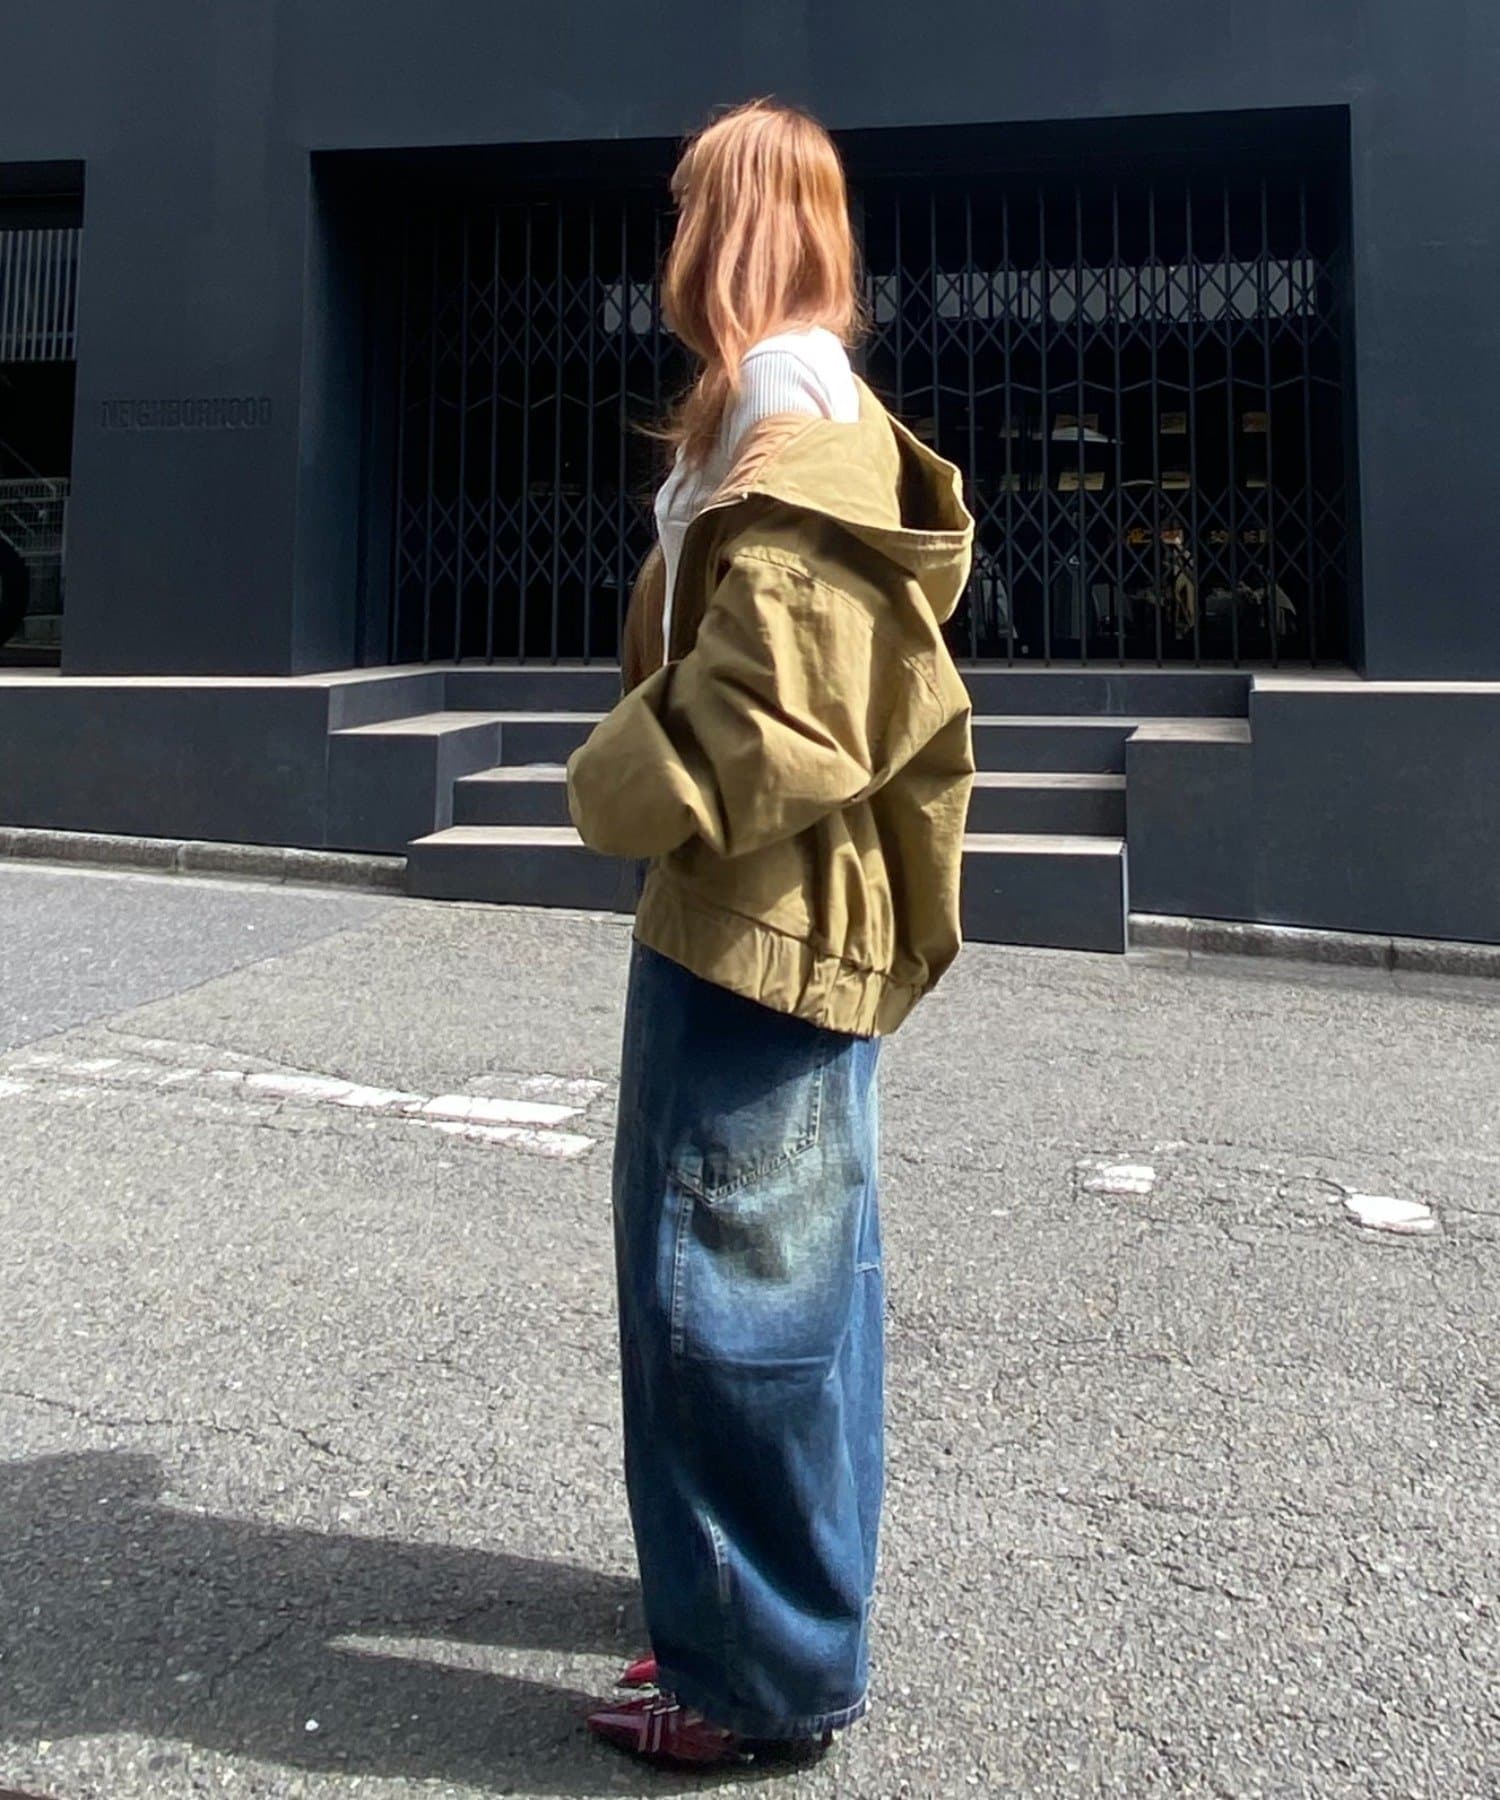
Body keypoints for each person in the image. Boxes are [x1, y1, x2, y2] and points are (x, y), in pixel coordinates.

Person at [566, 96, 975, 1771]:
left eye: (686, 204)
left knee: (726, 1295)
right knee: (792, 1283)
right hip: (771, 905)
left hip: (759, 915)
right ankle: (754, 1611)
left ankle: (755, 1678)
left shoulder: (786, 400)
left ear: (732, 224)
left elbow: (786, 706)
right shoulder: (779, 396)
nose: (668, 232)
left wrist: (608, 785)